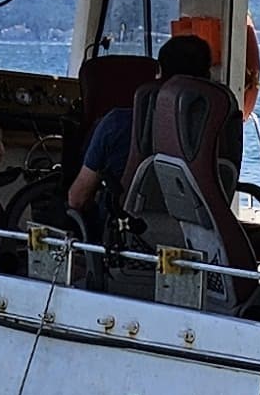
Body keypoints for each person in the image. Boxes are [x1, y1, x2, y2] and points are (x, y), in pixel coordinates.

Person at [64, 28, 219, 238]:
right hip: (204, 246)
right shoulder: (220, 129)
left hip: (129, 245)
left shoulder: (116, 124)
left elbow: (78, 199)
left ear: (159, 74)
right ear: (207, 77)